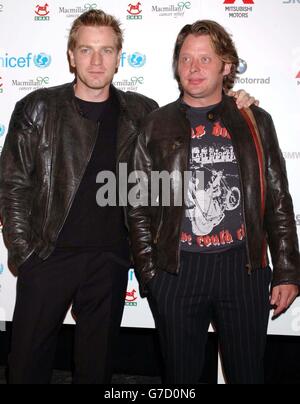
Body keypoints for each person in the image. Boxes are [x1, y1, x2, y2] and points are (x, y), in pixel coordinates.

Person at [0, 9, 256, 384]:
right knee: (26, 366)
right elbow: (13, 184)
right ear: (71, 56)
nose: (96, 60)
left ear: (120, 56)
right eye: (86, 50)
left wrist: (236, 101)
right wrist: (26, 254)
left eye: (106, 50)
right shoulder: (39, 107)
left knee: (96, 369)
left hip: (110, 260)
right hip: (48, 255)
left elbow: (194, 111)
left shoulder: (143, 111)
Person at [128, 20, 300, 384]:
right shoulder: (155, 125)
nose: (193, 68)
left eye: (205, 59)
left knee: (246, 375)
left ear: (227, 66)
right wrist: (151, 274)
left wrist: (286, 269)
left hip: (244, 271)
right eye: (186, 58)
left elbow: (278, 198)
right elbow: (137, 203)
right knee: (181, 379)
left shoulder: (254, 120)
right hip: (177, 271)